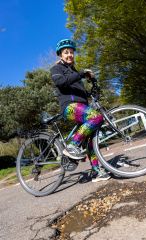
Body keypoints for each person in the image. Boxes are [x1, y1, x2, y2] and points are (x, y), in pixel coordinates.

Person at [50, 38, 110, 182]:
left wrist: (91, 90)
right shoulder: (56, 68)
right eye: (66, 52)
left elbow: (78, 90)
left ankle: (96, 172)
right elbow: (61, 82)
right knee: (96, 117)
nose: (70, 54)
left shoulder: (73, 71)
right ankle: (72, 146)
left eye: (71, 52)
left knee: (90, 139)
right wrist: (82, 73)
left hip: (81, 106)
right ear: (60, 55)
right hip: (69, 107)